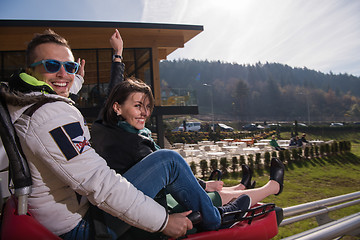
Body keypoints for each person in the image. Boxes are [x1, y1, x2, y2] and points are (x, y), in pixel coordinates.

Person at [0, 29, 260, 240]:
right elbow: (99, 183)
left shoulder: (29, 101)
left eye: (68, 66)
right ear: (31, 70)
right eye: (52, 65)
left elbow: (70, 88)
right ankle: (217, 219)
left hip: (62, 215)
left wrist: (104, 63)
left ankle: (212, 207)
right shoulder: (53, 116)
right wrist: (164, 222)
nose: (63, 74)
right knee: (168, 161)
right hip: (79, 228)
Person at [91, 78, 285, 207]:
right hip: (155, 205)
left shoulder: (110, 128)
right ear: (117, 108)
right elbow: (173, 178)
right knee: (219, 198)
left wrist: (117, 56)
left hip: (144, 197)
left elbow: (114, 94)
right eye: (137, 106)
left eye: (148, 107)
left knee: (216, 191)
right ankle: (273, 186)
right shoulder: (134, 142)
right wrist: (202, 185)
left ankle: (240, 188)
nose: (145, 112)